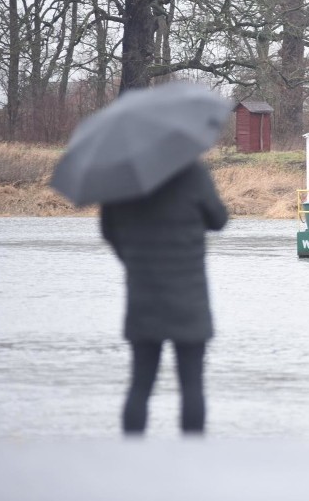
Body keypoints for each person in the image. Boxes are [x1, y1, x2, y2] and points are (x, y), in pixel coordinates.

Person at [100, 161, 228, 435]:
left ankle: (132, 458)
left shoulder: (121, 180)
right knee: (192, 386)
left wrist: (131, 260)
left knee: (140, 385)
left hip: (142, 298)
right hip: (189, 299)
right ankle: (191, 458)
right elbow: (219, 219)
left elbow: (108, 230)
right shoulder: (192, 173)